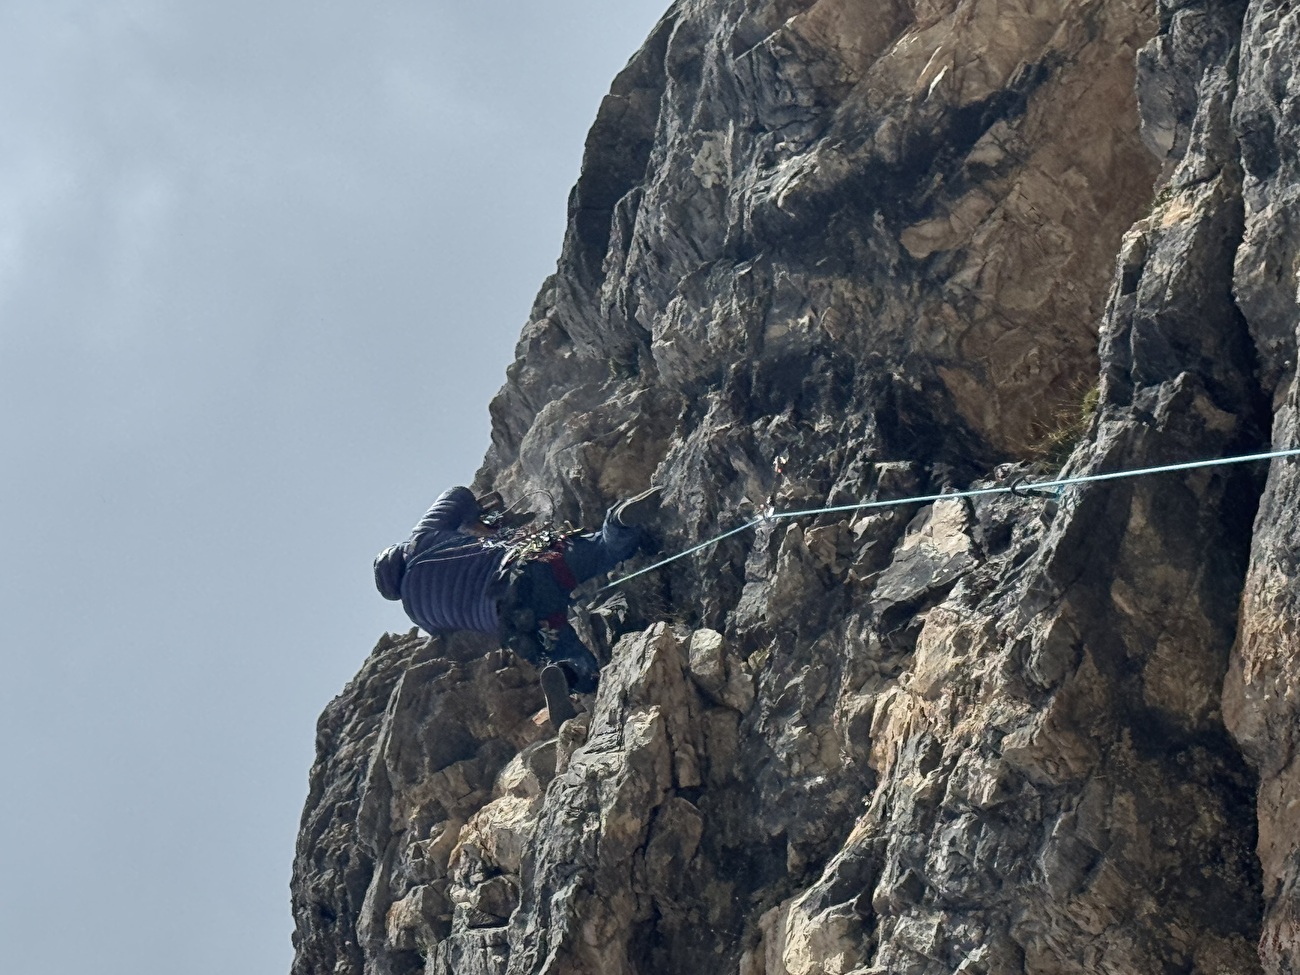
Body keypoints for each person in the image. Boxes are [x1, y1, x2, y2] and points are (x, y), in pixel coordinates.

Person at [372, 484, 661, 723]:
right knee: (602, 549)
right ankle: (620, 520)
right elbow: (456, 495)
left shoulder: (418, 614)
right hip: (530, 566)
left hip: (517, 620)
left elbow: (459, 638)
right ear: (399, 553)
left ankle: (563, 671)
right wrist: (471, 522)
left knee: (573, 660)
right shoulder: (419, 541)